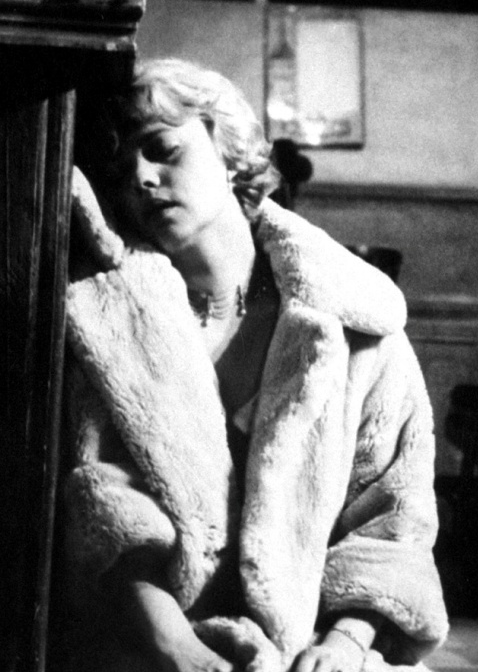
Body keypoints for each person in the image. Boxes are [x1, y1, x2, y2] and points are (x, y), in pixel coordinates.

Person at [62, 58, 449, 672]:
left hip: (316, 645)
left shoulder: (352, 320)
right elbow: (105, 508)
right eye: (121, 169)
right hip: (153, 643)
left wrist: (344, 644)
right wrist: (179, 649)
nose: (142, 177)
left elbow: (393, 518)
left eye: (163, 149)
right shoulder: (107, 320)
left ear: (228, 151)